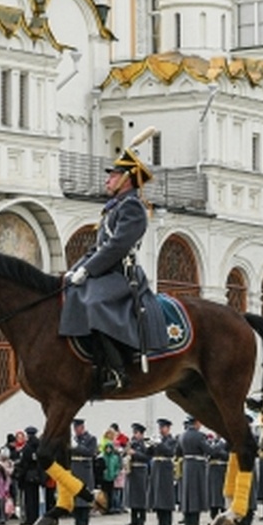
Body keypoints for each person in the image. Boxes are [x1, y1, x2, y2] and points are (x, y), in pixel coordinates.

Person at [59, 135, 167, 395]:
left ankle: (118, 371)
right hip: (105, 272)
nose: (108, 180)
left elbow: (117, 246)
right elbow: (97, 248)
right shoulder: (114, 207)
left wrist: (88, 270)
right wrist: (76, 269)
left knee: (94, 302)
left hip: (121, 275)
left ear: (126, 179)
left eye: (113, 175)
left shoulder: (133, 208)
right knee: (70, 292)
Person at [177, 416, 211, 525]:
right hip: (197, 465)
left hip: (187, 464)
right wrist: (220, 445)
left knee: (187, 492)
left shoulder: (182, 436)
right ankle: (195, 521)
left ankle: (187, 520)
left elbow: (177, 452)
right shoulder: (199, 436)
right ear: (197, 423)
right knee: (196, 492)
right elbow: (209, 450)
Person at [148, 417, 177, 525]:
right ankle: (160, 519)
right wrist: (150, 445)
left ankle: (167, 520)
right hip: (157, 468)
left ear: (168, 428)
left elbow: (170, 451)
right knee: (157, 495)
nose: (161, 430)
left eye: (163, 427)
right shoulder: (159, 440)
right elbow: (149, 454)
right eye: (160, 427)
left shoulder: (171, 440)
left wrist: (159, 444)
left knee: (166, 494)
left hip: (165, 468)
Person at [68, 420, 95, 525]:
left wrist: (77, 447)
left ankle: (84, 520)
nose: (75, 430)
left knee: (84, 495)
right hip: (75, 467)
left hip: (84, 468)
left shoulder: (90, 439)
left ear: (82, 427)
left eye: (77, 428)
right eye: (74, 428)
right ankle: (77, 520)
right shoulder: (74, 439)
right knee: (75, 495)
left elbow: (90, 452)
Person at [124, 423, 150, 525]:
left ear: (141, 434)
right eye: (134, 433)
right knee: (132, 496)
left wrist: (135, 453)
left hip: (141, 470)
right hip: (133, 470)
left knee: (141, 496)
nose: (134, 435)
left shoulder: (145, 444)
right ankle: (133, 519)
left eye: (136, 433)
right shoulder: (132, 443)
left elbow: (147, 457)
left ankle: (142, 519)